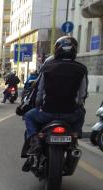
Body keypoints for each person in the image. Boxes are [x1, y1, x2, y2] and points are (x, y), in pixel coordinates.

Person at [21, 36, 88, 171]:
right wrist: (77, 106)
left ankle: (35, 141)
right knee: (81, 113)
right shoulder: (81, 69)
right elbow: (82, 95)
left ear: (57, 50)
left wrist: (39, 106)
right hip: (70, 114)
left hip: (47, 113)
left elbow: (39, 93)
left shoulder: (47, 68)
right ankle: (75, 136)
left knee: (29, 116)